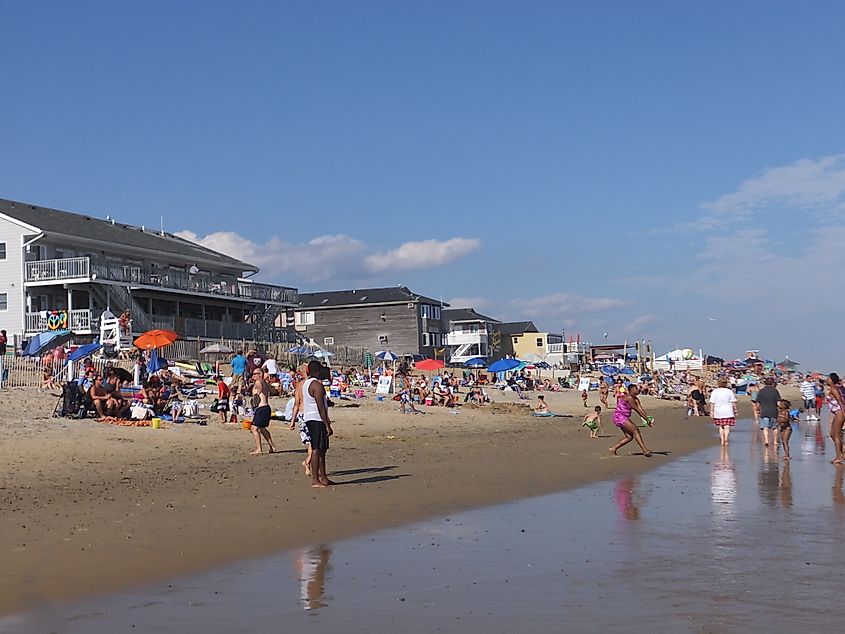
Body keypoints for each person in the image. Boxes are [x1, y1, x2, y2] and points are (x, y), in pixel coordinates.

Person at [301, 359, 335, 487]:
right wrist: (327, 425)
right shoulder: (316, 385)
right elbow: (320, 406)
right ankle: (316, 479)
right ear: (316, 371)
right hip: (316, 419)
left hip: (312, 418)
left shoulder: (307, 383)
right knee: (316, 449)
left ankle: (324, 477)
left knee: (322, 449)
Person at [609, 384, 652, 457]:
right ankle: (644, 450)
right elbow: (636, 409)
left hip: (624, 417)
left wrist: (648, 419)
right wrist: (646, 420)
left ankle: (613, 448)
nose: (638, 389)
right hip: (619, 416)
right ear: (631, 390)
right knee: (635, 430)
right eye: (636, 388)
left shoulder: (636, 399)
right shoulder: (629, 397)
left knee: (629, 437)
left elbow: (641, 409)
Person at [249, 368, 276, 455]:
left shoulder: (259, 382)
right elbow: (273, 391)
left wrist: (257, 394)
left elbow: (259, 386)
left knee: (254, 428)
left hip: (261, 408)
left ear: (260, 374)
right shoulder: (265, 383)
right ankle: (272, 446)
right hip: (265, 408)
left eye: (255, 374)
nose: (253, 375)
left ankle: (259, 449)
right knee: (262, 428)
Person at [709, 377, 738, 446]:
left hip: (718, 411)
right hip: (728, 411)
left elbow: (712, 402)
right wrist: (735, 409)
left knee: (721, 427)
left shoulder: (715, 391)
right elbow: (733, 401)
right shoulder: (729, 391)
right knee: (727, 426)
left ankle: (722, 440)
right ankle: (726, 440)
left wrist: (711, 411)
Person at [756, 377, 782, 448]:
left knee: (765, 427)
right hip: (773, 411)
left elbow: (757, 402)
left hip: (764, 411)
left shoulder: (761, 391)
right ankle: (775, 441)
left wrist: (758, 410)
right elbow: (778, 402)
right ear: (772, 383)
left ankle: (767, 441)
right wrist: (781, 408)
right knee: (775, 427)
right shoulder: (775, 391)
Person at [826, 373, 845, 464]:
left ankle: (839, 456)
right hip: (838, 413)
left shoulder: (834, 389)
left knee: (836, 435)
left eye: (828, 378)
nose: (826, 379)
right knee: (832, 434)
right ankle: (843, 450)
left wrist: (843, 412)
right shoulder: (834, 388)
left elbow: (840, 401)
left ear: (831, 380)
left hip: (840, 412)